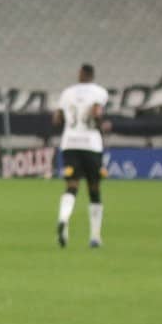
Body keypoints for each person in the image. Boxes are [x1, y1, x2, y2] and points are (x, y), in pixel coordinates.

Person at [53, 64, 109, 248]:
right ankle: (94, 236)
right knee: (94, 188)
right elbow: (96, 112)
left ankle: (63, 219)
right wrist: (103, 126)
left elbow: (57, 119)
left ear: (81, 74)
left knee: (71, 186)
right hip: (91, 144)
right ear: (92, 75)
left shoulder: (67, 93)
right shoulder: (99, 92)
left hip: (70, 144)